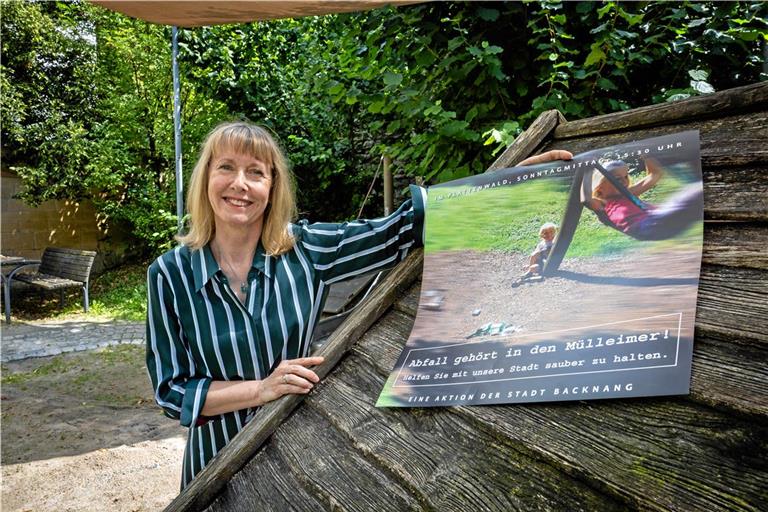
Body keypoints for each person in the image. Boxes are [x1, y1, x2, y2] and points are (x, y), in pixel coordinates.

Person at [146, 120, 570, 488]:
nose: (240, 184)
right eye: (226, 168)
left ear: (272, 188)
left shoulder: (303, 249)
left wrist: (496, 189)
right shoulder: (168, 274)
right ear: (205, 179)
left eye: (255, 172)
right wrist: (260, 390)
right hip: (214, 463)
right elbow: (172, 389)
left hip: (293, 450)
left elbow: (397, 229)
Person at [588, 158, 703, 241]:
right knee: (698, 192)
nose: (624, 181)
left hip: (661, 222)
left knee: (697, 202)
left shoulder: (628, 193)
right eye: (617, 179)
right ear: (600, 187)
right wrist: (585, 170)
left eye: (626, 176)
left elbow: (655, 174)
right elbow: (585, 200)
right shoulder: (602, 205)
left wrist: (646, 154)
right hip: (650, 226)